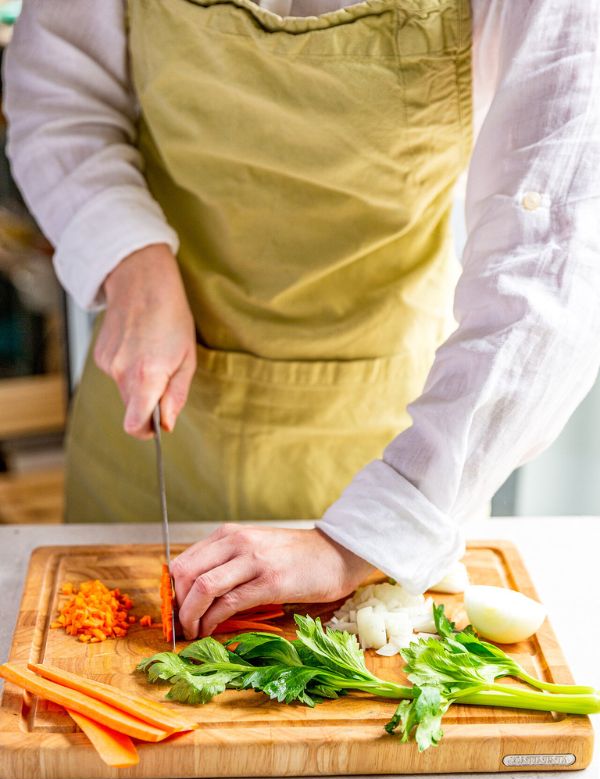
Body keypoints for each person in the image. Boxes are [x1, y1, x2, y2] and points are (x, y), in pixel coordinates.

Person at [5, 0, 600, 639]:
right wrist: (128, 257)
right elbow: (59, 93)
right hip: (157, 415)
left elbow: (555, 248)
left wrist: (370, 536)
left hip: (398, 433)